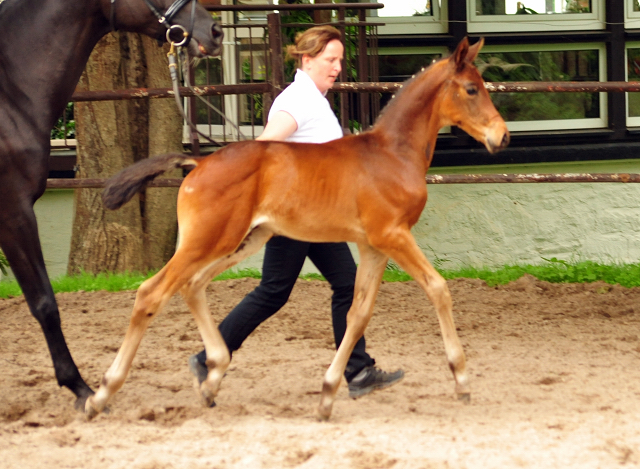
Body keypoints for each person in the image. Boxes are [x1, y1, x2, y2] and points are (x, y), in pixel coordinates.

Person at [189, 25, 403, 399]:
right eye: (329, 60)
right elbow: (264, 146)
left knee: (341, 284)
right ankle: (210, 354)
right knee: (276, 290)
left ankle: (357, 370)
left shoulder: (313, 97)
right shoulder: (298, 100)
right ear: (307, 59)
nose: (337, 68)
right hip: (296, 213)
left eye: (339, 61)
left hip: (319, 215)